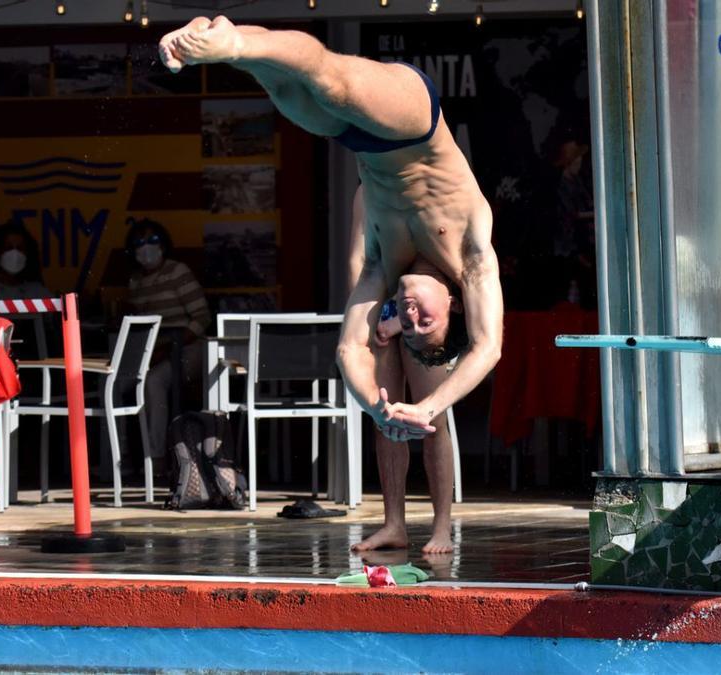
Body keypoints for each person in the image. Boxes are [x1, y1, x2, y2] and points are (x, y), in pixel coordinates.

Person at [159, 15, 503, 445]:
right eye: (425, 321)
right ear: (453, 305)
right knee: (330, 81)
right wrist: (428, 407)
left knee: (284, 88)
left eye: (408, 326)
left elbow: (349, 350)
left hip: (359, 141)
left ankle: (220, 31)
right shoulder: (471, 255)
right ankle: (229, 44)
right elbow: (487, 347)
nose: (409, 316)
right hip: (415, 124)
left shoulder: (382, 266)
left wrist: (377, 410)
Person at [346, 187, 456, 553]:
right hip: (381, 305)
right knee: (386, 417)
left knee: (432, 419)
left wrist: (405, 321)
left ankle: (442, 527)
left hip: (422, 305)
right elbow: (357, 259)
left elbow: (440, 259)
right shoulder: (368, 189)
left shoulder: (432, 185)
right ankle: (394, 523)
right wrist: (362, 318)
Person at [123, 217, 213, 469]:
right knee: (117, 385)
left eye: (153, 240)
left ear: (164, 244)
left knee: (154, 381)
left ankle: (156, 458)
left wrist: (168, 349)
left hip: (189, 348)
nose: (147, 247)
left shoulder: (177, 271)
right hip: (154, 352)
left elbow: (201, 318)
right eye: (139, 242)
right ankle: (119, 459)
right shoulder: (136, 281)